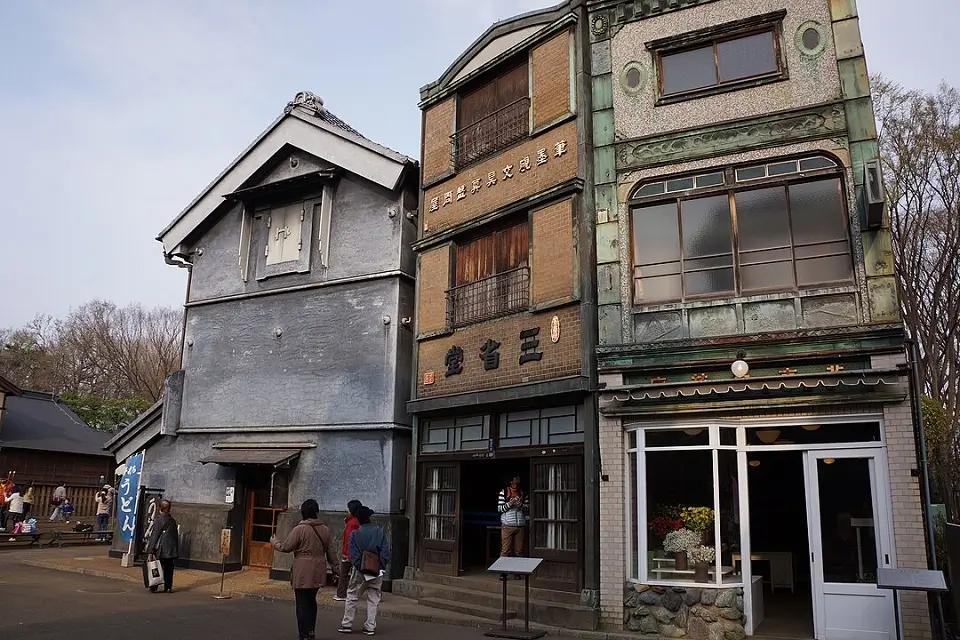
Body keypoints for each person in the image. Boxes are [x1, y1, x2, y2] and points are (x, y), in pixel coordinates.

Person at [271, 499, 339, 640]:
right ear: (317, 512)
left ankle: (304, 633)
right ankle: (311, 630)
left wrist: (274, 542)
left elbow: (286, 547)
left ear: (303, 513)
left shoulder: (299, 529)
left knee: (301, 603)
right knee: (311, 601)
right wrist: (336, 569)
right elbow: (332, 553)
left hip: (302, 569)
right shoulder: (325, 530)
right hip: (318, 569)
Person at [338, 506, 390, 636]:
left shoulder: (355, 534)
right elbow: (385, 553)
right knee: (373, 598)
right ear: (369, 518)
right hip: (377, 570)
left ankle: (347, 624)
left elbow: (353, 555)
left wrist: (360, 567)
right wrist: (380, 566)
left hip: (360, 571)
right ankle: (370, 626)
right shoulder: (379, 532)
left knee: (352, 596)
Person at [146, 499, 179, 593]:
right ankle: (168, 587)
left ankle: (154, 585)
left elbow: (155, 535)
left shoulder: (159, 520)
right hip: (171, 549)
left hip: (160, 548)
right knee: (169, 568)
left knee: (156, 566)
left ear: (160, 508)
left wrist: (150, 551)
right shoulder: (172, 521)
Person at [334, 500, 363, 602]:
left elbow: (348, 540)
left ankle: (341, 594)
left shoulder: (351, 523)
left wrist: (346, 554)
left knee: (343, 574)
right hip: (357, 553)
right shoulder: (359, 522)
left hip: (348, 553)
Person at [498, 474, 529, 561]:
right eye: (515, 478)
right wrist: (510, 503)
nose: (517, 479)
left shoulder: (523, 493)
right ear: (511, 481)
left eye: (518, 478)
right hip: (507, 525)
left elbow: (527, 508)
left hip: (520, 525)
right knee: (505, 550)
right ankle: (503, 573)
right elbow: (500, 509)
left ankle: (517, 573)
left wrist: (519, 504)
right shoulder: (503, 492)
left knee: (519, 551)